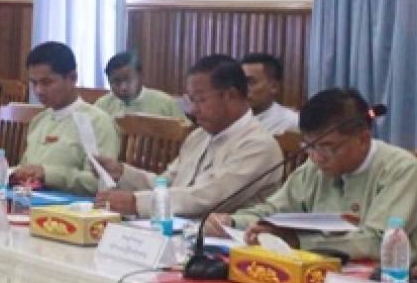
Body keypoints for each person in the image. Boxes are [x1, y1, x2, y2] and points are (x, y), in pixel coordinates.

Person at [210, 88, 417, 267]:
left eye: (328, 147)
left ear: (362, 139)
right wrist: (233, 222)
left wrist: (298, 242)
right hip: (327, 273)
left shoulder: (401, 170)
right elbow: (274, 210)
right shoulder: (314, 167)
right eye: (309, 146)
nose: (317, 157)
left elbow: (377, 241)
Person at [93, 55, 282, 217]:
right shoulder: (199, 136)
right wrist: (122, 173)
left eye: (200, 99)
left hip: (227, 241)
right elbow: (166, 184)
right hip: (179, 229)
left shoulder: (258, 145)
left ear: (230, 96)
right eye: (191, 100)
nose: (192, 109)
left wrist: (136, 203)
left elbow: (207, 198)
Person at [0, 41, 120, 195]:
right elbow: (24, 171)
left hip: (70, 209)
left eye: (47, 82)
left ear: (72, 78)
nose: (39, 90)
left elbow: (101, 182)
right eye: (34, 83)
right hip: (29, 201)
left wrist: (47, 174)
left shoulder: (97, 121)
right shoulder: (39, 120)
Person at [93, 51, 187, 120]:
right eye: (117, 81)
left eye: (129, 80)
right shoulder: (103, 105)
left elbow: (186, 133)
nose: (123, 87)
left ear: (141, 77)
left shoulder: (165, 103)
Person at [241, 53, 298, 134]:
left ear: (274, 86)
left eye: (251, 82)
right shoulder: (229, 121)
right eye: (241, 82)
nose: (242, 88)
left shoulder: (292, 122)